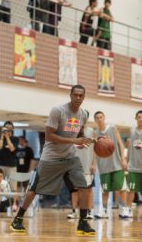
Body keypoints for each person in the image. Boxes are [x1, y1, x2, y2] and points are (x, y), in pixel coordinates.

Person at [11, 84, 95, 236]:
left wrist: (84, 140)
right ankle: (18, 218)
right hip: (51, 158)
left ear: (84, 97)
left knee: (84, 188)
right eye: (75, 95)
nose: (78, 98)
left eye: (81, 95)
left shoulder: (83, 114)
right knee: (34, 189)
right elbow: (49, 136)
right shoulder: (58, 111)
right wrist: (73, 142)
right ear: (70, 95)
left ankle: (83, 222)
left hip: (70, 157)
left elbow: (79, 131)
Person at [93, 111, 128, 219]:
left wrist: (123, 158)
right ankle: (103, 211)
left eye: (101, 117)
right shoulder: (95, 133)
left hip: (116, 164)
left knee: (121, 189)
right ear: (95, 120)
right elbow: (94, 150)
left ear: (104, 118)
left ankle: (125, 209)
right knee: (105, 190)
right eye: (97, 118)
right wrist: (94, 164)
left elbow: (120, 144)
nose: (99, 119)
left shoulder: (112, 128)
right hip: (103, 166)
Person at [67, 110, 96, 220]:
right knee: (74, 190)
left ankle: (89, 212)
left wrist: (94, 163)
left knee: (88, 190)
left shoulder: (91, 131)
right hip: (74, 165)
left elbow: (95, 149)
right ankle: (74, 211)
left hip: (87, 166)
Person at [0, 121, 19, 212]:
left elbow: (12, 148)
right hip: (1, 164)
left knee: (13, 186)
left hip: (11, 165)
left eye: (9, 128)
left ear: (12, 129)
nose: (7, 129)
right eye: (6, 127)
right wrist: (2, 136)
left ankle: (14, 204)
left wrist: (7, 137)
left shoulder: (15, 138)